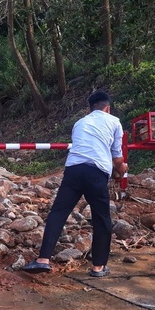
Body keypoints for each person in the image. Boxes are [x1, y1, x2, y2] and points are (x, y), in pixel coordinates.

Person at [22, 90, 127, 277]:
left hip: (73, 170)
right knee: (101, 218)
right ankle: (98, 267)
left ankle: (43, 260)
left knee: (58, 213)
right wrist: (123, 168)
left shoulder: (79, 123)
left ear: (90, 108)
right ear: (108, 108)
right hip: (97, 173)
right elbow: (117, 157)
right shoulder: (114, 122)